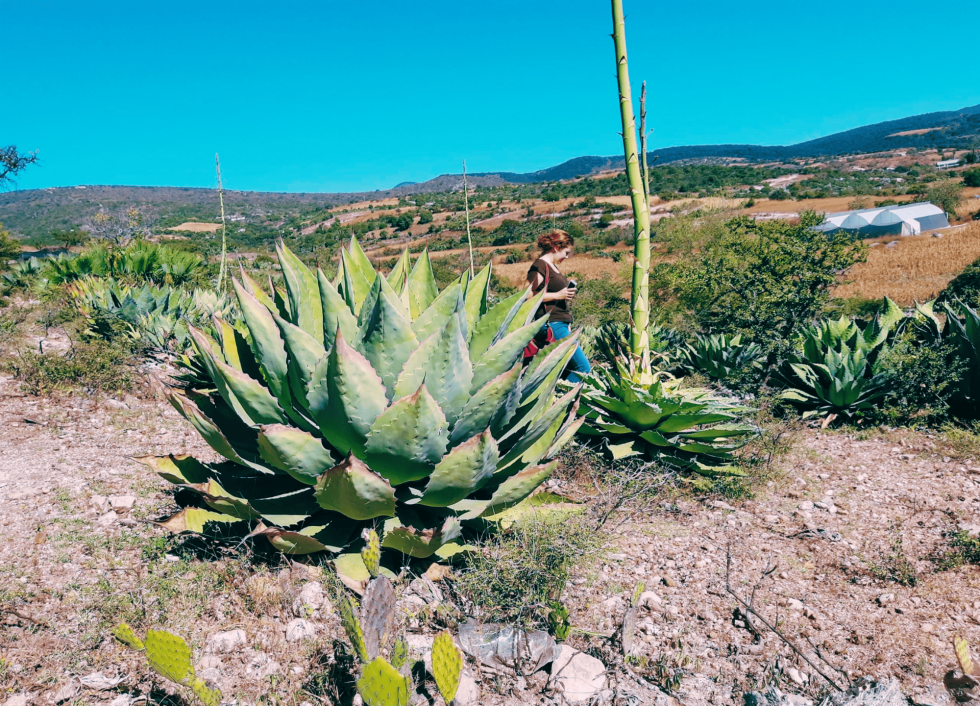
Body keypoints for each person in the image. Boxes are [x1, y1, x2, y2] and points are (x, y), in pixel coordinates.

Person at [526, 229, 592, 383]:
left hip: (560, 323)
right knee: (582, 368)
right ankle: (561, 395)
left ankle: (554, 393)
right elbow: (527, 294)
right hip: (553, 324)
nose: (567, 257)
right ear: (556, 247)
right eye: (566, 252)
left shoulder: (552, 267)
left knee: (565, 368)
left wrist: (564, 295)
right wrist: (557, 295)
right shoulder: (540, 265)